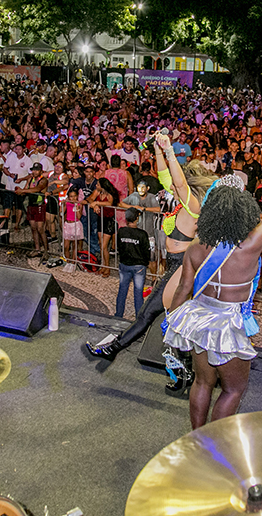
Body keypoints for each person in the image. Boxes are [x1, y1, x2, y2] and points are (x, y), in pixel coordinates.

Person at [164, 144, 262, 429]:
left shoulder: (196, 248)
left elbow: (184, 290)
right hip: (228, 323)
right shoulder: (249, 247)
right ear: (244, 212)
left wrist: (171, 321)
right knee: (233, 389)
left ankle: (197, 438)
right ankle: (214, 443)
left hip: (198, 318)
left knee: (202, 382)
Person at [85, 133, 215, 380]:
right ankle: (184, 367)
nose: (172, 189)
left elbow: (176, 181)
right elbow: (167, 178)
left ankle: (115, 349)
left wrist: (169, 150)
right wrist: (158, 149)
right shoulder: (181, 201)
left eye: (178, 187)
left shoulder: (193, 206)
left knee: (148, 314)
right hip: (174, 265)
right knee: (172, 317)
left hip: (182, 267)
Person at [115, 208, 151, 318]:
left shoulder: (121, 231)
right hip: (139, 266)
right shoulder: (142, 234)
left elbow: (119, 247)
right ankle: (139, 317)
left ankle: (118, 314)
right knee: (138, 292)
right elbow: (146, 251)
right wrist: (145, 262)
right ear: (137, 219)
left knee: (122, 290)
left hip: (125, 264)